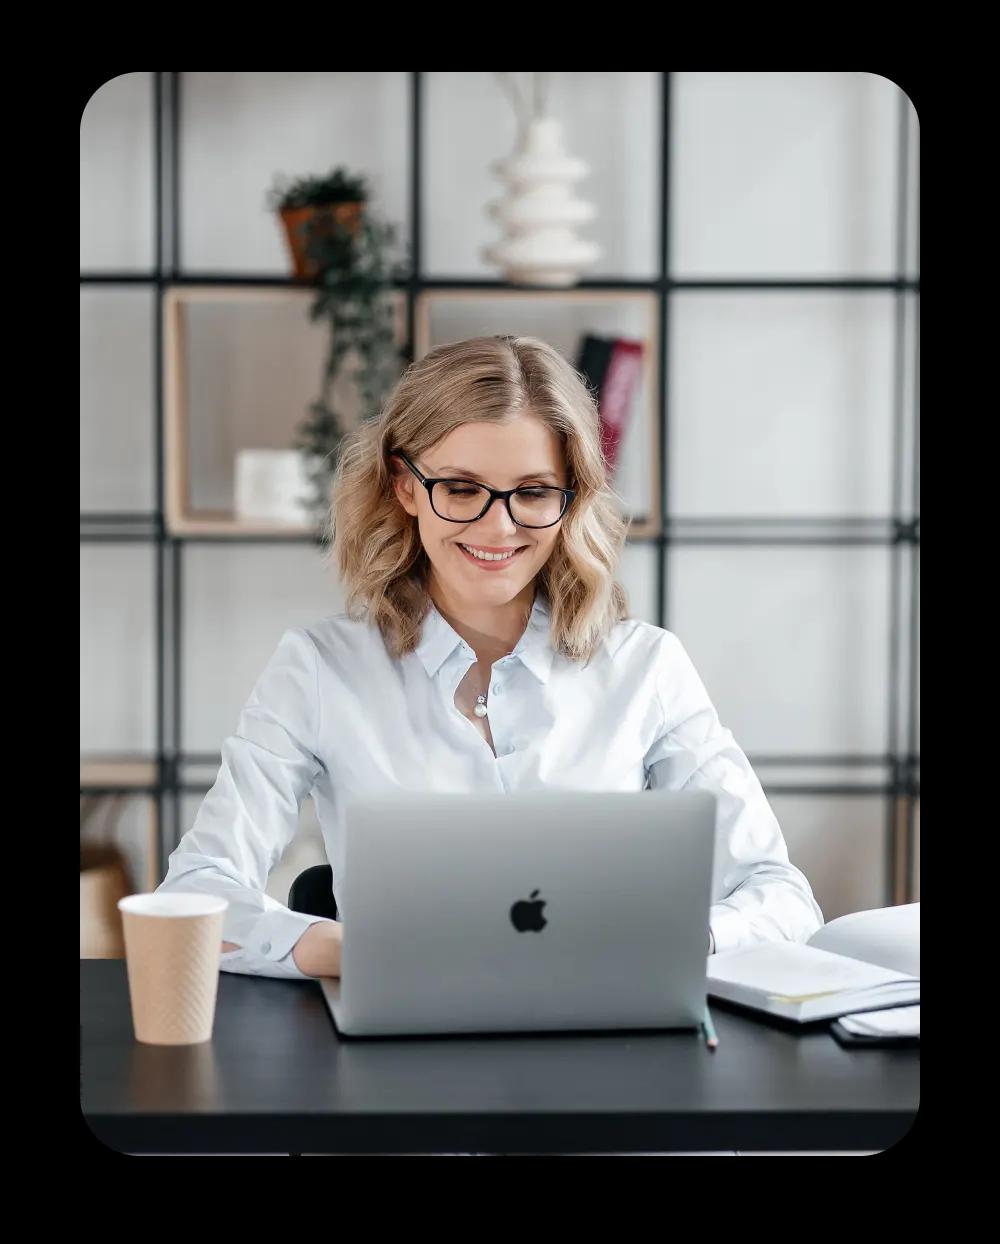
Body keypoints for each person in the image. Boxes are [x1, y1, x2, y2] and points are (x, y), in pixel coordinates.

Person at [157, 334, 823, 984]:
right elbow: (193, 894)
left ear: (572, 499)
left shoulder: (646, 668)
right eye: (462, 488)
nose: (497, 527)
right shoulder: (319, 669)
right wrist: (335, 949)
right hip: (398, 1049)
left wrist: (679, 939)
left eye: (533, 492)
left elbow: (781, 896)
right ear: (405, 485)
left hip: (608, 1038)